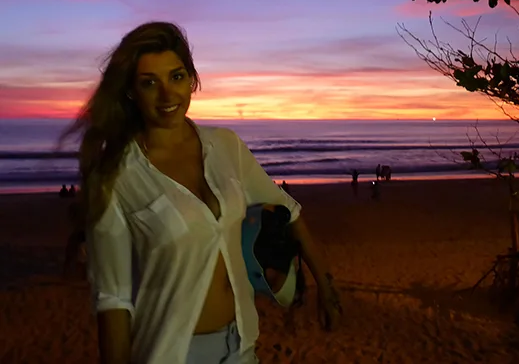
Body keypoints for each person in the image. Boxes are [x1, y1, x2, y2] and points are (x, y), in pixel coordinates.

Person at [60, 22, 341, 364]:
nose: (168, 96)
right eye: (150, 83)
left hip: (240, 346)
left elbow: (289, 212)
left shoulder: (225, 146)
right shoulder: (115, 177)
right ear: (131, 92)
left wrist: (325, 289)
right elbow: (113, 299)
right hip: (172, 354)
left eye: (176, 77)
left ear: (191, 78)